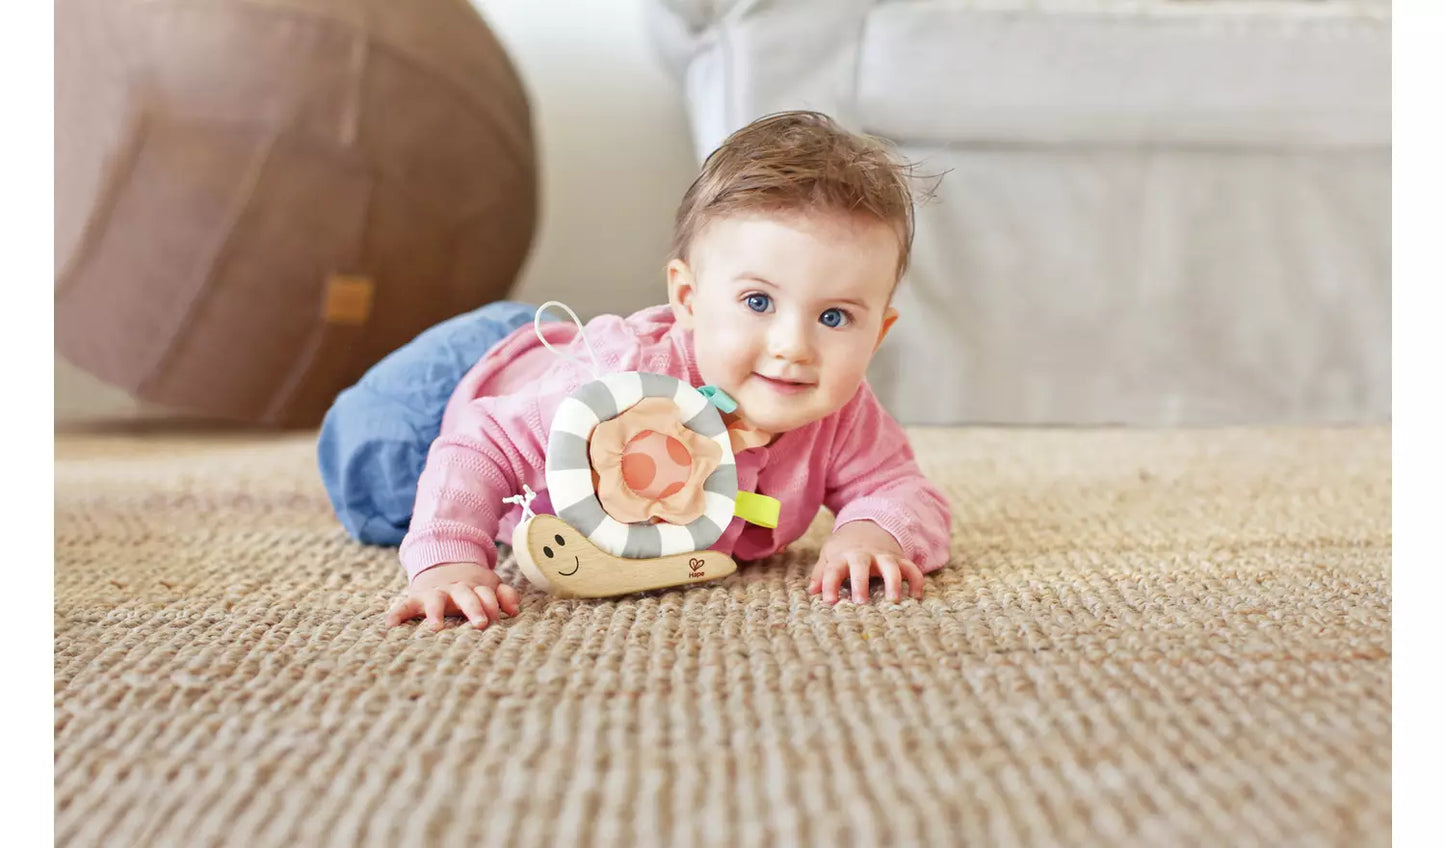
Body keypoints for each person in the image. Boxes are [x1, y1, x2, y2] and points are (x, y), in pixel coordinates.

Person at [317, 111, 953, 630]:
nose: (793, 347)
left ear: (878, 334)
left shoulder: (843, 410)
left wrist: (872, 534)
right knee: (372, 481)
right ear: (688, 301)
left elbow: (896, 486)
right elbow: (482, 442)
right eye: (758, 302)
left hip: (553, 354)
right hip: (464, 385)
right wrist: (448, 563)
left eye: (836, 318)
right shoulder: (613, 388)